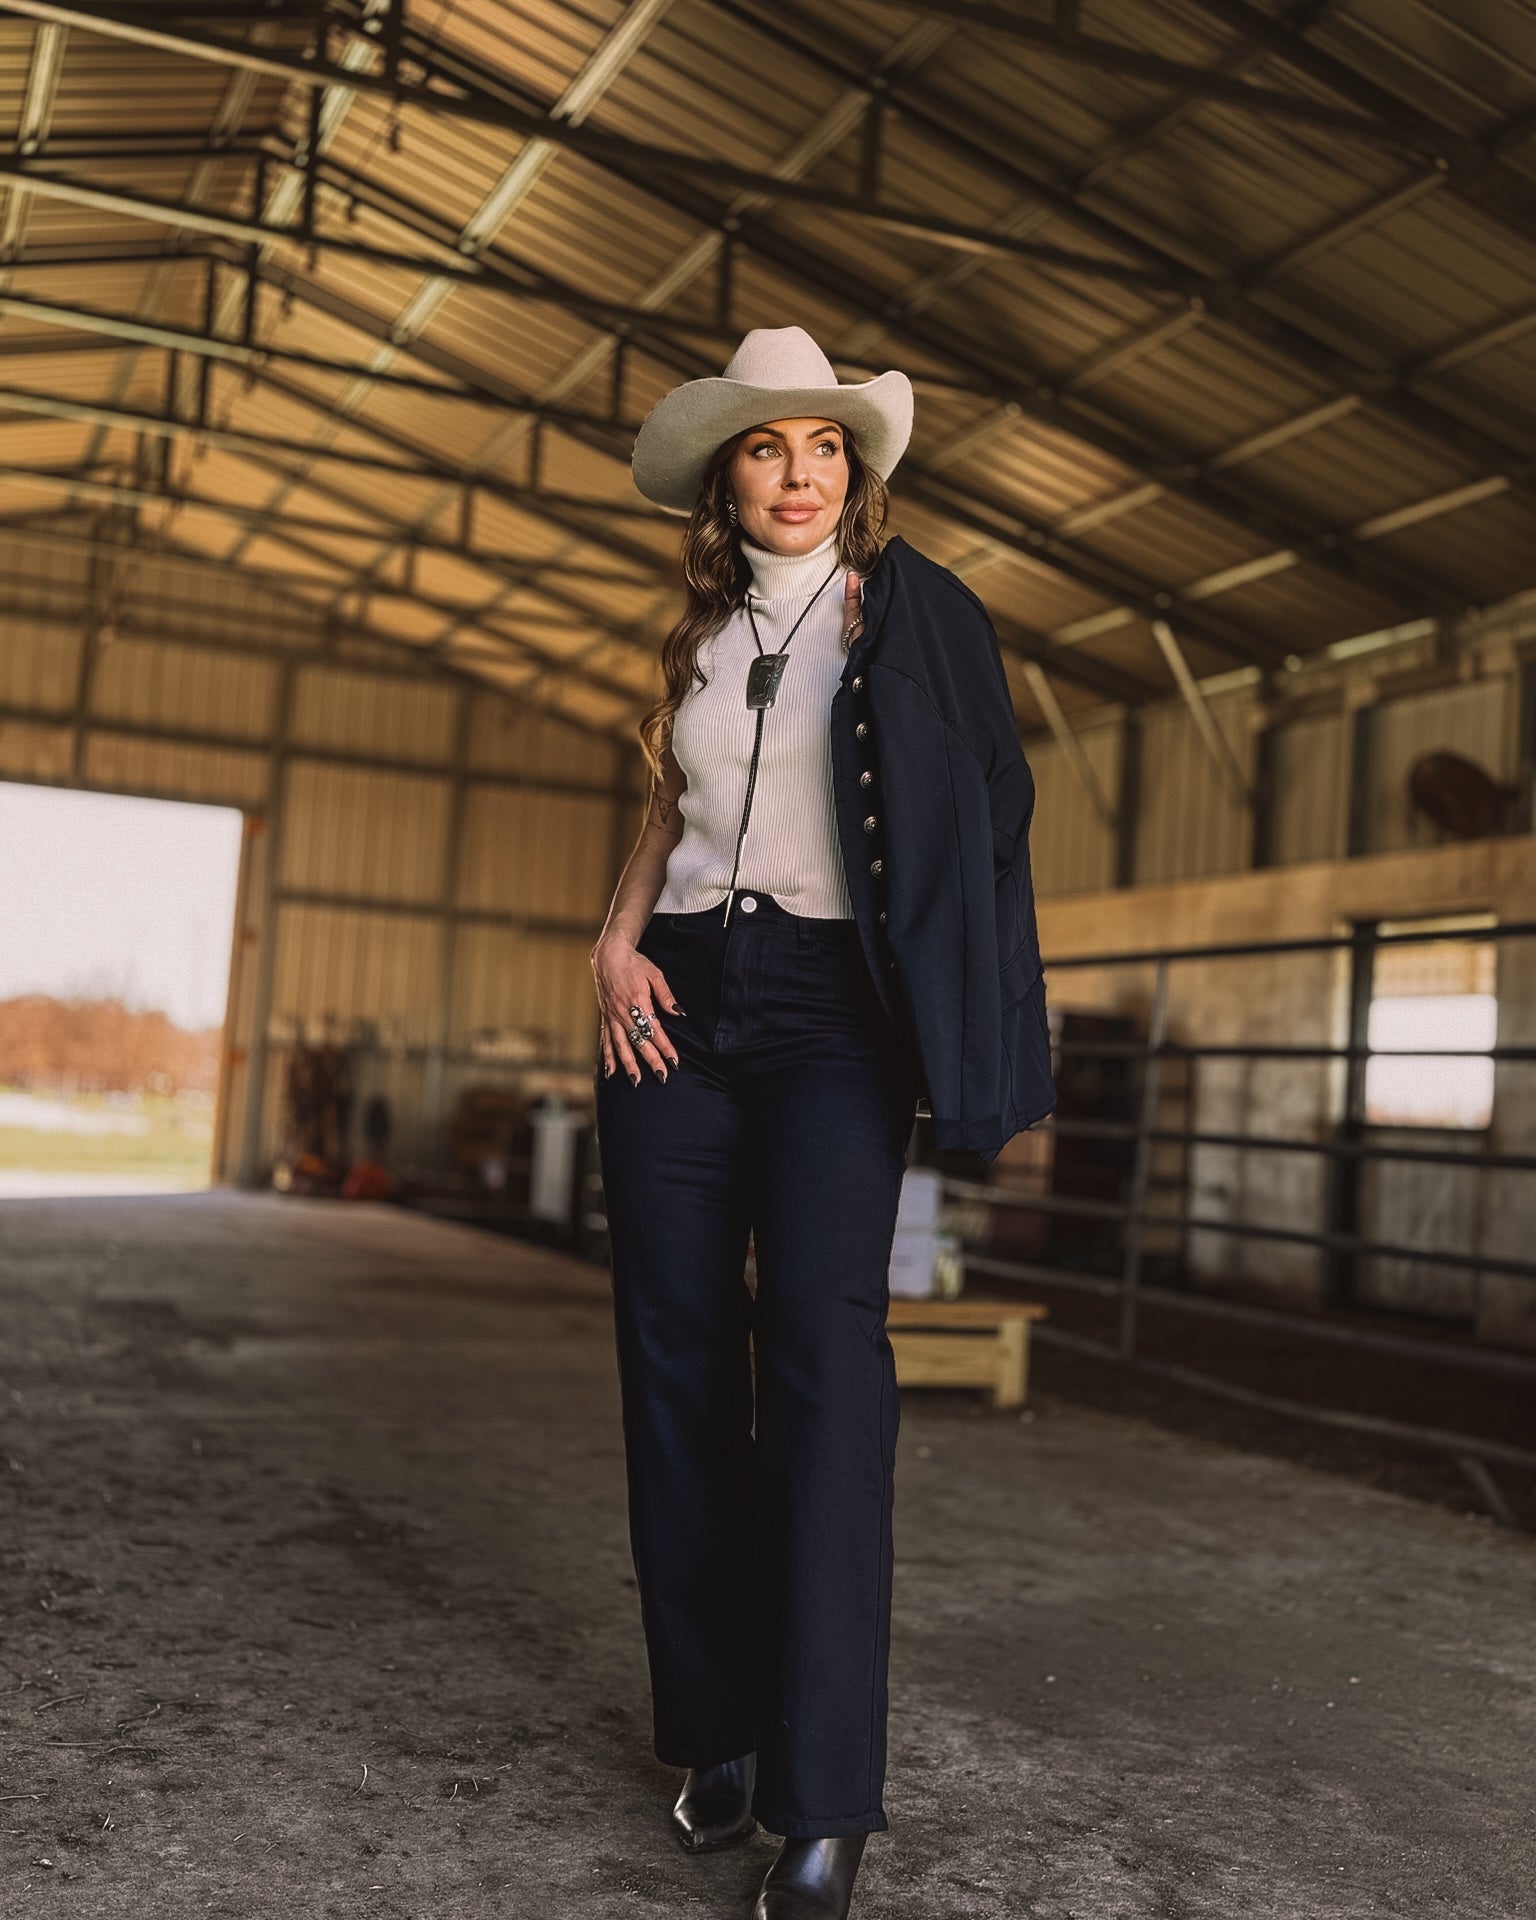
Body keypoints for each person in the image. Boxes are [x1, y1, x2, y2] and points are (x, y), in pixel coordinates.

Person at [589, 325, 1051, 1920]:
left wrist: (952, 993)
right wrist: (614, 931)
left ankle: (824, 1797)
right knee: (668, 1352)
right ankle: (712, 1732)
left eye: (827, 448)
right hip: (679, 1007)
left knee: (825, 1364)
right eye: (771, 447)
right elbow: (675, 795)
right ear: (728, 471)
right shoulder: (703, 630)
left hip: (832, 1016)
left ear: (854, 473)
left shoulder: (913, 618)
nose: (801, 473)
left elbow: (997, 806)